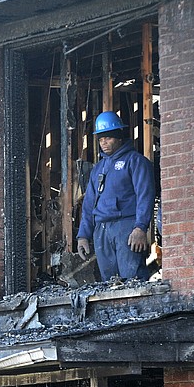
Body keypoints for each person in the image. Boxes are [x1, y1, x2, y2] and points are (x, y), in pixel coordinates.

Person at [77, 111, 156, 281]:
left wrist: (140, 228)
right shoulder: (98, 169)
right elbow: (89, 205)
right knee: (109, 283)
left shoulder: (136, 161)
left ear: (119, 137)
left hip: (126, 228)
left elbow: (145, 196)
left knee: (132, 280)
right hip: (102, 231)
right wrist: (83, 235)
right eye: (101, 139)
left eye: (108, 138)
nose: (104, 143)